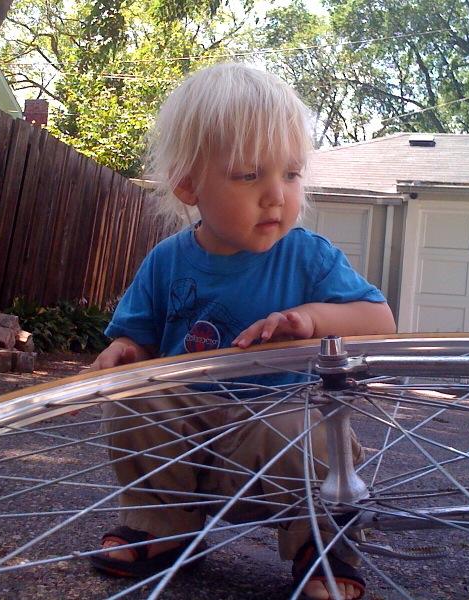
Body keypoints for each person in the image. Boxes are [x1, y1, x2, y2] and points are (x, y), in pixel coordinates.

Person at [87, 62, 397, 600]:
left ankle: (321, 545)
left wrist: (312, 319)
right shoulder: (167, 261)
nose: (276, 195)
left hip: (277, 432)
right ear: (188, 184)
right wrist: (125, 350)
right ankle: (165, 527)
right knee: (136, 399)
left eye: (291, 174)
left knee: (313, 433)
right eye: (249, 175)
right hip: (189, 438)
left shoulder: (309, 257)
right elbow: (139, 339)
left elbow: (381, 322)